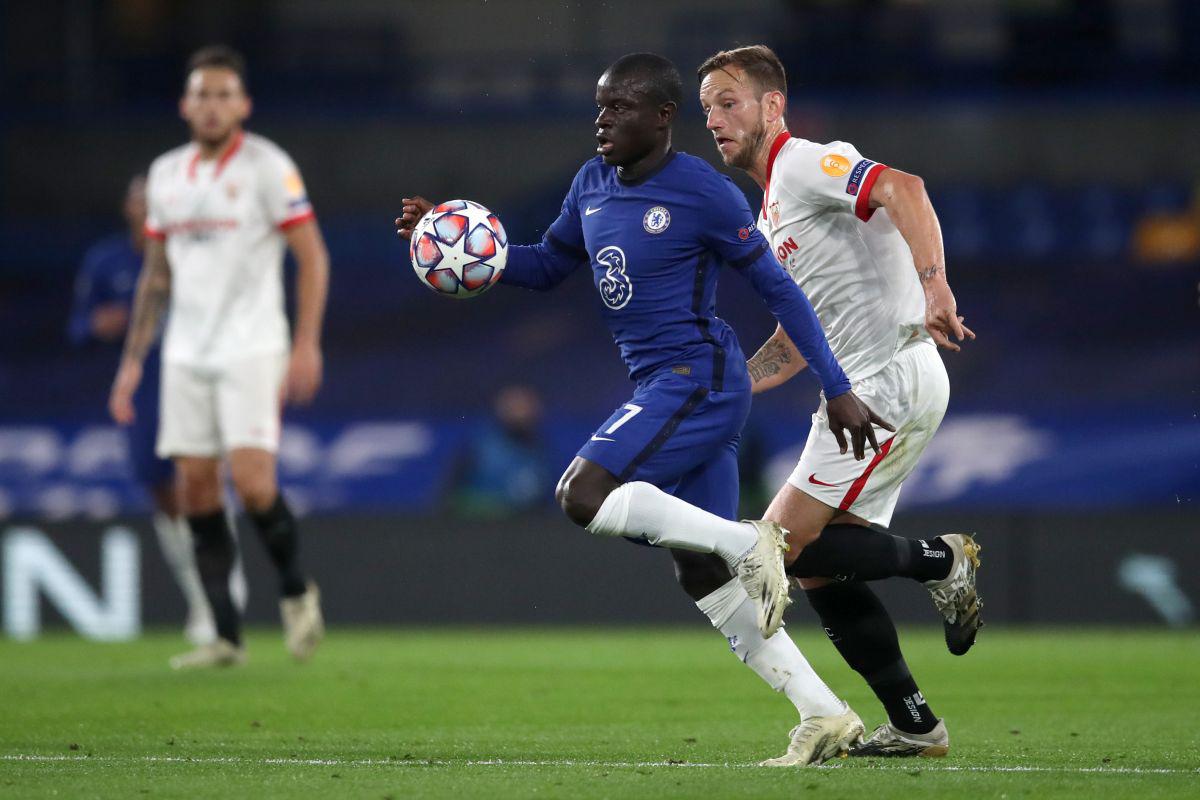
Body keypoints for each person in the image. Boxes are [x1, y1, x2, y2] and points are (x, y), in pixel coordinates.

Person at [398, 52, 889, 764]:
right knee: (700, 571)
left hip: (701, 379)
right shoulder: (591, 183)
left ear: (663, 118)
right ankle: (826, 715)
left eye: (620, 107)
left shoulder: (705, 194)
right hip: (664, 384)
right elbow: (541, 267)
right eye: (599, 107)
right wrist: (454, 242)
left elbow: (782, 292)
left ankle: (752, 542)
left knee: (581, 494)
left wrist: (836, 385)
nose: (602, 121)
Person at [698, 44, 982, 759]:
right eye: (706, 110)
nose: (715, 120)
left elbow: (905, 187)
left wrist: (935, 283)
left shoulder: (800, 163)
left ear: (772, 106)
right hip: (880, 382)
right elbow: (797, 342)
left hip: (883, 378)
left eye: (728, 103)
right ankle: (917, 725)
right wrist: (730, 380)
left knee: (777, 548)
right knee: (817, 565)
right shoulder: (771, 214)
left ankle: (939, 562)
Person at [108, 45, 329, 669]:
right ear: (185, 104)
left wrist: (307, 343)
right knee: (197, 492)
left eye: (223, 94)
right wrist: (131, 363)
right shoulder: (166, 175)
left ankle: (294, 591)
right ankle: (226, 635)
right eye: (201, 94)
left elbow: (312, 256)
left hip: (253, 345)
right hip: (184, 352)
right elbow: (155, 276)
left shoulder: (268, 167)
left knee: (254, 483)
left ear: (243, 105)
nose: (211, 105)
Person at [71, 175, 247, 645]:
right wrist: (95, 325)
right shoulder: (105, 262)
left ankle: (224, 590)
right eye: (139, 197)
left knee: (199, 479)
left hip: (194, 379)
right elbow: (77, 327)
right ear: (127, 207)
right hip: (143, 391)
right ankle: (199, 596)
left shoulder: (196, 254)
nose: (147, 205)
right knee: (162, 494)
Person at [453, 385, 552, 517]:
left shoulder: (542, 451)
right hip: (480, 524)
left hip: (524, 528)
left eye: (526, 404)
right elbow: (454, 498)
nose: (521, 411)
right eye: (515, 404)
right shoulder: (479, 448)